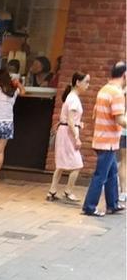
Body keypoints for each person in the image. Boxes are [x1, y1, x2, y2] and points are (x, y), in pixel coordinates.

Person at [81, 61, 127, 216]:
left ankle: (113, 204)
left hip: (102, 138)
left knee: (112, 173)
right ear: (125, 75)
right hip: (108, 141)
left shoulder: (104, 89)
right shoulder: (117, 93)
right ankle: (89, 207)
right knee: (100, 175)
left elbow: (95, 114)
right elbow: (120, 119)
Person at [46, 72, 90, 202]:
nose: (88, 85)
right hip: (68, 134)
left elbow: (70, 120)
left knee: (60, 164)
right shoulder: (74, 99)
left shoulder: (71, 97)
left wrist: (78, 124)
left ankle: (52, 191)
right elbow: (70, 121)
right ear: (78, 82)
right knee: (77, 164)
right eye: (86, 82)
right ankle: (68, 191)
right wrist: (76, 137)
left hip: (64, 132)